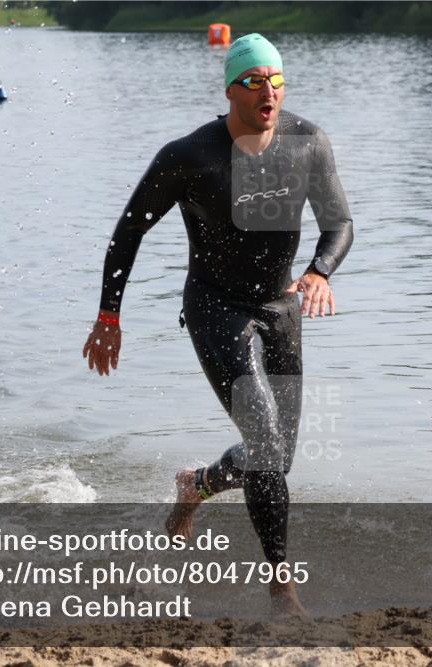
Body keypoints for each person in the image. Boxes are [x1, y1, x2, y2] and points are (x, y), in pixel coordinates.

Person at [83, 33, 353, 617]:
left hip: (280, 309)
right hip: (215, 307)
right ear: (231, 87)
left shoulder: (307, 143)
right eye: (255, 82)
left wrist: (319, 272)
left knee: (276, 458)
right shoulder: (189, 155)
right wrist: (109, 314)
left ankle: (196, 485)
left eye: (277, 81)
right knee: (261, 431)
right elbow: (128, 233)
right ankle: (283, 588)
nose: (269, 93)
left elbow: (339, 224)